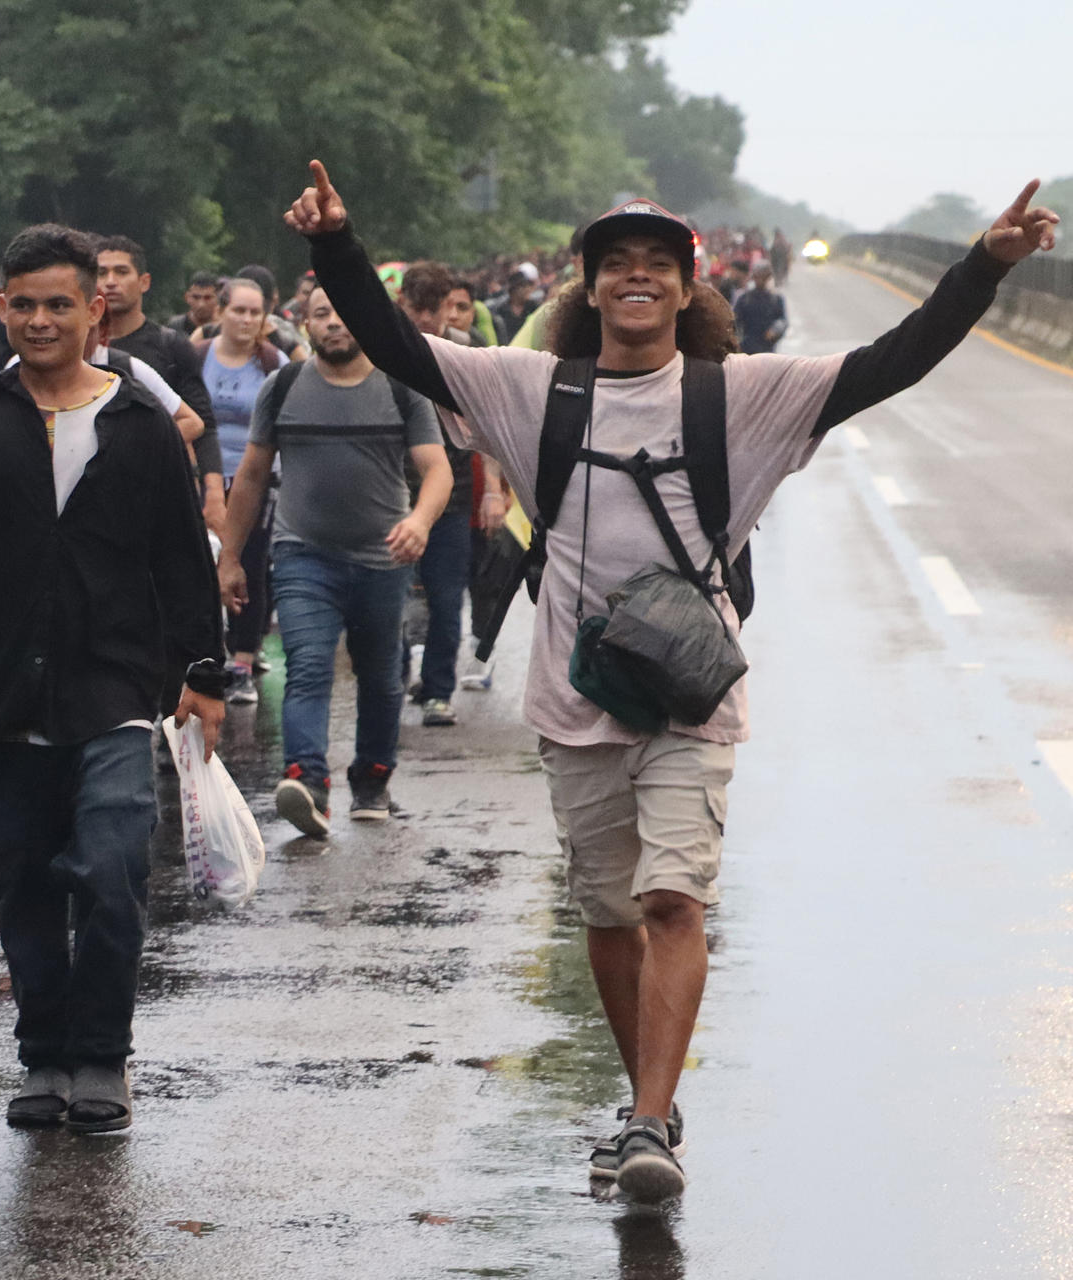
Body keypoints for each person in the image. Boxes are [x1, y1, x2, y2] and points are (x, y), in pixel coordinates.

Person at [292, 160, 1058, 1202]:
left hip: (691, 697)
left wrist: (986, 266)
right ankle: (642, 1091)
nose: (636, 278)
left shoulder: (744, 396)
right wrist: (333, 244)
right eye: (616, 264)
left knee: (672, 895)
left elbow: (895, 359)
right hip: (576, 695)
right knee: (606, 911)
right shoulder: (530, 389)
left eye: (659, 264)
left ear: (693, 288)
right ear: (588, 287)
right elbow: (396, 345)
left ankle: (649, 1121)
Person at [0, 223, 227, 1135]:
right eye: (21, 304)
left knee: (111, 867)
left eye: (57, 304)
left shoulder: (142, 426)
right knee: (18, 878)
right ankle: (45, 1058)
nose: (36, 320)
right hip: (1, 696)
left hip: (114, 691)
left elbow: (184, 563)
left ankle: (101, 1056)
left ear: (93, 309)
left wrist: (205, 676)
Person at [219, 285, 450, 834]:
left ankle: (372, 780)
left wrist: (418, 522)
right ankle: (308, 782)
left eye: (345, 314)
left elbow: (436, 469)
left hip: (383, 558)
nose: (335, 324)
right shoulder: (284, 387)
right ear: (304, 322)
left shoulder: (400, 388)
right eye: (322, 314)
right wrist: (230, 557)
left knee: (381, 675)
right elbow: (251, 476)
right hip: (303, 556)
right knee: (309, 666)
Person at [195, 277, 286, 700]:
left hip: (257, 481)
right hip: (201, 477)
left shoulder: (274, 363)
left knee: (249, 566)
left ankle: (244, 661)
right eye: (239, 310)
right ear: (221, 311)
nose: (247, 319)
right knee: (197, 568)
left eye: (255, 312)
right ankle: (200, 657)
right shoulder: (196, 358)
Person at [96, 236, 225, 533]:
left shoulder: (171, 347)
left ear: (144, 281)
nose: (110, 281)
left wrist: (214, 494)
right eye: (101, 273)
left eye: (121, 272)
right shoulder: (75, 349)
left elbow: (203, 423)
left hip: (158, 492)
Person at [397, 260, 479, 727]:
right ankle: (393, 681)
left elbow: (489, 423)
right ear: (403, 304)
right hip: (394, 491)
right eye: (418, 308)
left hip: (454, 492)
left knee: (447, 598)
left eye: (435, 308)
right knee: (392, 600)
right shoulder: (387, 348)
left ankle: (438, 690)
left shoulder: (468, 353)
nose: (426, 319)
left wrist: (494, 492)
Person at [733, 261, 788, 355]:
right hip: (747, 347)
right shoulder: (744, 298)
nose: (760, 280)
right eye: (757, 276)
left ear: (768, 277)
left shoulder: (776, 299)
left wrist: (775, 330)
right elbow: (735, 321)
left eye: (763, 276)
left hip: (767, 349)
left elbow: (782, 320)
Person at [166, 270, 220, 335]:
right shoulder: (174, 327)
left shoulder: (224, 329)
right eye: (196, 297)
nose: (201, 304)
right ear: (187, 297)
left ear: (218, 298)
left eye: (207, 298)